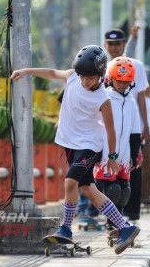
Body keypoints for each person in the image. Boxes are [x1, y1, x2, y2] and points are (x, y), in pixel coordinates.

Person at [10, 45, 140, 254]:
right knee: (88, 189)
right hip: (71, 145)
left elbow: (111, 130)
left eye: (89, 78)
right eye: (82, 76)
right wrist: (26, 71)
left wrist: (113, 157)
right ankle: (125, 228)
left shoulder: (103, 99)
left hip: (90, 146)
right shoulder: (72, 77)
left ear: (100, 75)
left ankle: (66, 229)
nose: (84, 81)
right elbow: (52, 73)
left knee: (71, 182)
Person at [104, 27, 150, 222]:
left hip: (131, 124)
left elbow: (140, 96)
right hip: (108, 125)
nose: (114, 47)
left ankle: (130, 214)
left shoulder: (136, 66)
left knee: (132, 170)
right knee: (109, 179)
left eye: (118, 44)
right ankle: (110, 217)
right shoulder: (100, 64)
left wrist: (146, 125)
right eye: (111, 44)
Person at [93, 56, 142, 231]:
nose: (123, 84)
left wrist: (136, 153)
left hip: (124, 152)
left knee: (124, 191)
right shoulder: (104, 97)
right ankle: (112, 224)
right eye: (119, 80)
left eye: (127, 81)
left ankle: (118, 220)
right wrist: (96, 152)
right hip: (105, 151)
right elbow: (96, 125)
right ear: (111, 78)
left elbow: (135, 131)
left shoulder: (131, 101)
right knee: (112, 189)